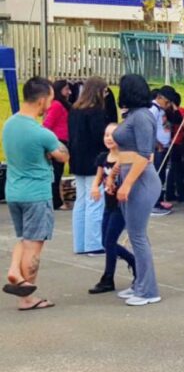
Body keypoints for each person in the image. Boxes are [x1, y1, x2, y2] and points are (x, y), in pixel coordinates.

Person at [2, 77, 70, 311]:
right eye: (50, 100)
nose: (50, 105)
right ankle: (27, 296)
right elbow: (63, 155)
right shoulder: (42, 133)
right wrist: (55, 151)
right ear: (41, 100)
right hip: (36, 194)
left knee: (24, 238)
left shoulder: (9, 124)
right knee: (34, 245)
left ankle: (13, 271)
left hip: (14, 191)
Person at [112, 73, 164, 306]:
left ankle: (147, 289)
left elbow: (145, 154)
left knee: (137, 236)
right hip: (130, 174)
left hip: (139, 178)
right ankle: (141, 283)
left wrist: (127, 183)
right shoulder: (135, 115)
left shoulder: (141, 116)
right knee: (136, 235)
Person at [87, 123, 137, 295]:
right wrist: (94, 187)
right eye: (106, 135)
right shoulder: (103, 157)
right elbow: (99, 176)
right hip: (109, 205)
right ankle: (133, 261)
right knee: (105, 242)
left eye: (113, 135)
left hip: (122, 206)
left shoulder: (125, 159)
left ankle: (108, 278)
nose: (109, 138)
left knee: (109, 241)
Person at [68, 77, 111, 255]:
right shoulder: (96, 111)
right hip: (94, 160)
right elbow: (99, 137)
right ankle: (93, 243)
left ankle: (80, 243)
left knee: (81, 201)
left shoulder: (75, 110)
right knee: (95, 201)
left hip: (77, 159)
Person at [157, 86, 184, 206]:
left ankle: (171, 192)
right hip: (175, 144)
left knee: (174, 169)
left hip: (176, 143)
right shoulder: (169, 112)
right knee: (176, 170)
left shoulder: (178, 112)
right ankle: (176, 193)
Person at [43, 78, 72, 210]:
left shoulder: (61, 104)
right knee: (56, 172)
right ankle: (56, 201)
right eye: (66, 89)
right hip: (57, 141)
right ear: (60, 90)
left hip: (62, 140)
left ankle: (56, 199)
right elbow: (47, 125)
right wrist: (47, 146)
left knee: (57, 172)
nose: (69, 92)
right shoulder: (56, 105)